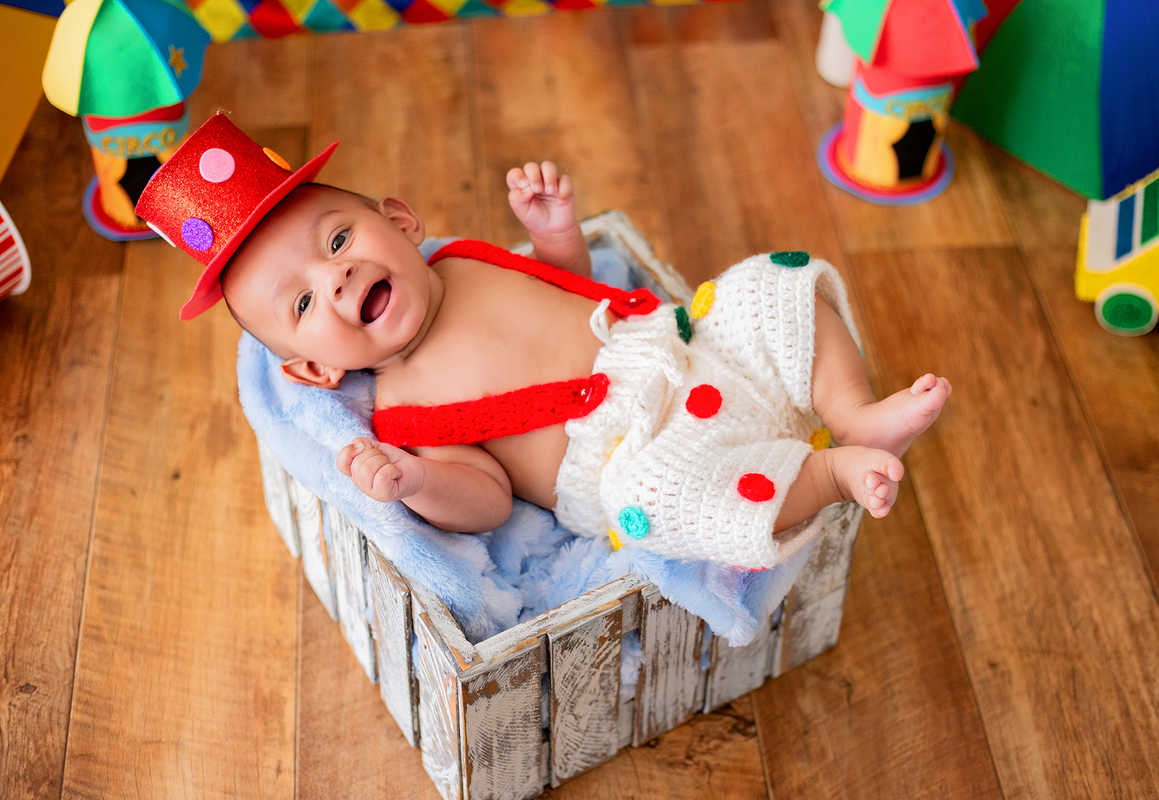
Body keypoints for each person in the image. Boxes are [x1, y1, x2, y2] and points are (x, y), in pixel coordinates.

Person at [137, 113, 950, 569]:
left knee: (774, 286)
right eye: (305, 299)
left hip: (680, 345)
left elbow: (567, 287)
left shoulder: (464, 260)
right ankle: (828, 472)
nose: (338, 278)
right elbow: (487, 499)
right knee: (673, 507)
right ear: (313, 368)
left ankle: (852, 411)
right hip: (631, 454)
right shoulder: (407, 414)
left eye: (339, 241)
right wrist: (413, 481)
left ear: (400, 222)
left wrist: (556, 234)